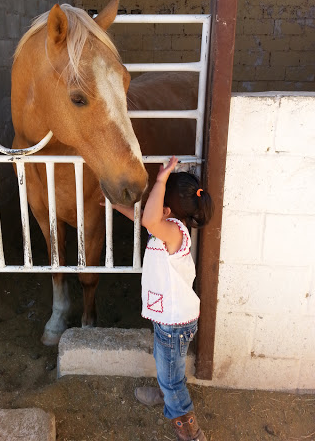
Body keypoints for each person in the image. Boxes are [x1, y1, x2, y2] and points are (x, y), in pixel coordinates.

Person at [102, 156, 214, 441]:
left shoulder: (174, 231)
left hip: (174, 323)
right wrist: (115, 205)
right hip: (170, 318)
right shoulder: (168, 228)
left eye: (160, 195)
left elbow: (150, 219)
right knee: (167, 365)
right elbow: (145, 219)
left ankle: (190, 432)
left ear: (167, 209)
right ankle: (166, 394)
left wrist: (162, 179)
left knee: (172, 377)